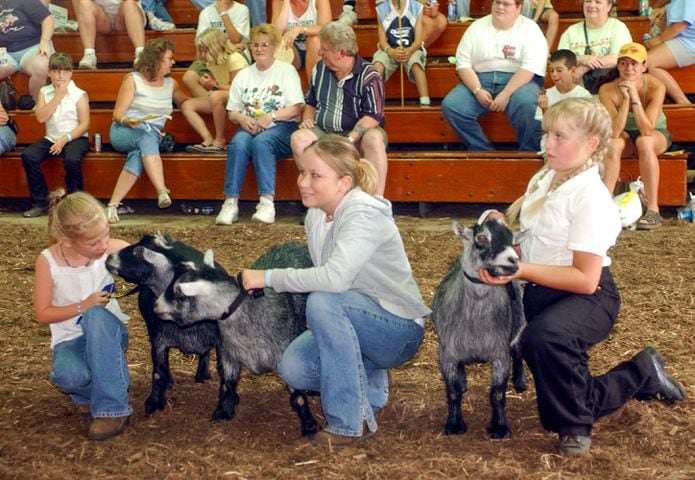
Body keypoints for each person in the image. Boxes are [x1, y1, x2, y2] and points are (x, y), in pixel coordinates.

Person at [479, 98, 685, 456]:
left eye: (560, 136)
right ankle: (641, 374)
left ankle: (575, 426)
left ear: (591, 144)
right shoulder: (544, 179)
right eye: (547, 135)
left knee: (547, 340)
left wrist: (519, 270)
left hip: (589, 297)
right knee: (545, 355)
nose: (548, 144)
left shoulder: (590, 197)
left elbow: (585, 279)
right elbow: (538, 245)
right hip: (543, 292)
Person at [241, 134, 429, 448]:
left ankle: (349, 421)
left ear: (344, 182)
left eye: (315, 176)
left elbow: (335, 279)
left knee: (325, 301)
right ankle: (370, 388)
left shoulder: (363, 213)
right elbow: (327, 277)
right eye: (302, 172)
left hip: (398, 330)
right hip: (357, 316)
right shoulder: (316, 214)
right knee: (294, 368)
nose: (303, 182)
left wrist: (268, 277)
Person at [34, 189, 132, 441]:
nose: (103, 246)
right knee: (68, 376)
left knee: (96, 317)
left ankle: (112, 408)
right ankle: (90, 393)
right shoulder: (48, 261)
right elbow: (42, 314)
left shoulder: (111, 251)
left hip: (107, 334)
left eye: (106, 236)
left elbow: (149, 259)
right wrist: (81, 306)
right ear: (68, 242)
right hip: (69, 338)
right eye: (94, 243)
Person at [216, 23, 304, 225]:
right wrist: (243, 119)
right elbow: (232, 111)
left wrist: (270, 117)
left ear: (274, 46)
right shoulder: (244, 75)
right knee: (238, 143)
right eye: (255, 45)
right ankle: (230, 202)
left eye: (265, 45)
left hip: (281, 126)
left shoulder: (286, 71)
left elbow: (296, 108)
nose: (259, 49)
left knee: (262, 142)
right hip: (250, 126)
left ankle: (266, 203)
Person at [291, 21, 388, 196]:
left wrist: (350, 139)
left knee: (374, 138)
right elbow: (311, 102)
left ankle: (376, 200)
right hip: (324, 130)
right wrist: (307, 119)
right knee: (299, 138)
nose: (319, 52)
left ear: (341, 53)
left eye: (325, 49)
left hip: (357, 134)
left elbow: (374, 116)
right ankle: (318, 198)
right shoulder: (320, 69)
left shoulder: (369, 75)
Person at [441, 0, 547, 152]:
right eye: (497, 2)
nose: (500, 7)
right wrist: (477, 90)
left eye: (506, 4)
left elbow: (530, 68)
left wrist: (506, 93)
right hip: (480, 80)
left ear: (519, 8)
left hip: (519, 82)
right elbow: (463, 63)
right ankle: (482, 150)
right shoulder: (476, 27)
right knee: (452, 105)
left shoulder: (531, 29)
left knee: (528, 104)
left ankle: (528, 154)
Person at [106, 38, 189, 224]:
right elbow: (117, 114)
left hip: (150, 136)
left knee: (139, 152)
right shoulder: (132, 80)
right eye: (169, 58)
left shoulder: (171, 84)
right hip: (123, 130)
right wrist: (128, 120)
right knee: (145, 135)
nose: (173, 62)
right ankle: (161, 191)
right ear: (156, 60)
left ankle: (112, 206)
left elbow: (185, 102)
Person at [599, 42, 671, 230]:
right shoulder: (607, 89)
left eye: (634, 63)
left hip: (654, 133)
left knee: (644, 141)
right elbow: (614, 132)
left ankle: (653, 208)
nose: (629, 68)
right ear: (618, 66)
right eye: (624, 63)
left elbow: (647, 129)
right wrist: (625, 101)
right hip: (623, 134)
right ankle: (602, 207)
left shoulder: (656, 85)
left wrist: (636, 98)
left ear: (644, 66)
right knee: (613, 144)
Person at [21, 53, 91, 218]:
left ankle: (75, 203)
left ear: (71, 73)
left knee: (72, 159)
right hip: (51, 137)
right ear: (49, 73)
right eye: (57, 71)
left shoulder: (79, 94)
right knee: (28, 156)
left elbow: (84, 124)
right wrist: (58, 96)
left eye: (65, 71)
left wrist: (64, 139)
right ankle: (41, 202)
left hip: (75, 137)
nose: (61, 76)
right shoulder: (45, 92)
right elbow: (41, 117)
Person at [182, 28, 248, 153]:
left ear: (215, 48)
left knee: (215, 96)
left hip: (243, 99)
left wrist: (214, 85)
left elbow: (240, 90)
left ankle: (220, 140)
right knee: (187, 105)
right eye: (200, 51)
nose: (201, 55)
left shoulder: (235, 59)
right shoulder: (212, 61)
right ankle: (208, 139)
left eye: (204, 51)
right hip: (225, 96)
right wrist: (213, 86)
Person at [557, 0, 632, 94]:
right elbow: (559, 61)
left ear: (609, 6)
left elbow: (618, 58)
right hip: (576, 93)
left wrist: (584, 68)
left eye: (598, 2)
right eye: (588, 1)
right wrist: (581, 58)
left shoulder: (617, 27)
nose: (592, 5)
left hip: (610, 92)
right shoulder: (571, 31)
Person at [183, 0, 250, 97]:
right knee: (188, 77)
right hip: (210, 54)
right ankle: (209, 104)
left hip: (234, 53)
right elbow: (201, 42)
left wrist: (223, 14)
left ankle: (218, 102)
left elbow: (236, 40)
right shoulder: (206, 12)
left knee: (235, 78)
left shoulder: (242, 10)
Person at [373, 0, 431, 107]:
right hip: (389, 49)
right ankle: (374, 102)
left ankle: (425, 101)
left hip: (412, 49)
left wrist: (409, 51)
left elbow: (418, 40)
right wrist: (391, 51)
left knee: (416, 64)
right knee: (377, 65)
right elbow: (382, 41)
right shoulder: (381, 9)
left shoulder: (416, 7)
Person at [0, 0, 53, 101]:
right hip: (5, 53)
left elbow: (47, 19)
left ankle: (36, 104)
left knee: (41, 67)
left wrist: (45, 41)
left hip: (32, 47)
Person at [645, 0, 695, 104]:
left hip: (690, 42)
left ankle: (683, 103)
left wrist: (660, 39)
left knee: (648, 62)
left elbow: (683, 23)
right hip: (682, 38)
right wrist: (665, 8)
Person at [72, 0, 146, 70]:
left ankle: (141, 54)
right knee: (84, 3)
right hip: (102, 16)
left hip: (126, 14)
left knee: (129, 4)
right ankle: (89, 54)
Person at [271, 0, 332, 80]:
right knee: (278, 44)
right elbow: (276, 32)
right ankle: (281, 89)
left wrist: (300, 29)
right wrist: (286, 2)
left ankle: (314, 88)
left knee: (314, 40)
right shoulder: (279, 1)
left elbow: (326, 28)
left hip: (318, 50)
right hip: (294, 51)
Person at [536, 50, 592, 121]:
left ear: (573, 70)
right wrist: (544, 109)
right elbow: (544, 129)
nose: (554, 74)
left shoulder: (583, 96)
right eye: (551, 71)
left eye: (559, 70)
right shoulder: (546, 95)